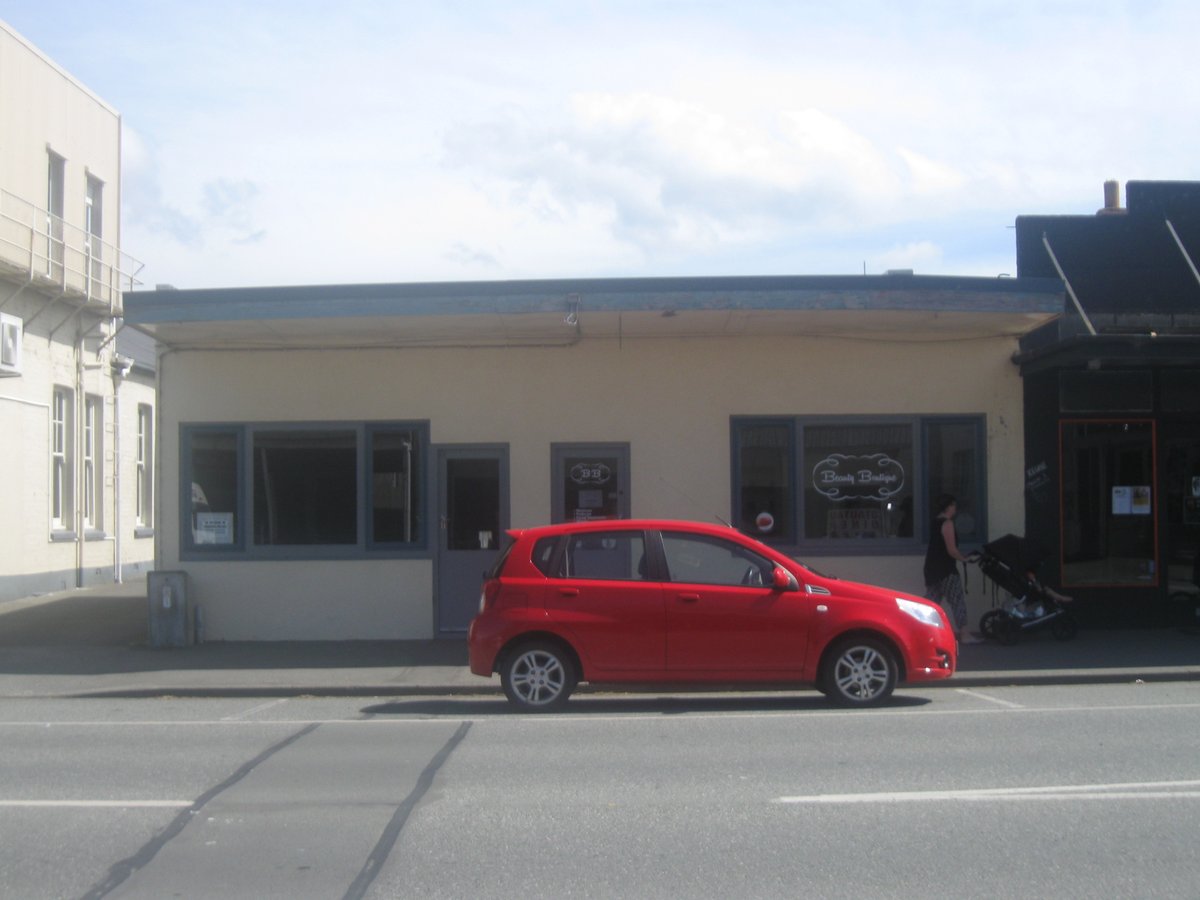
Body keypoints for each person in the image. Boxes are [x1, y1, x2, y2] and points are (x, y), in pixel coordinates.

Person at [923, 494, 981, 644]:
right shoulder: (947, 523)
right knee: (957, 601)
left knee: (931, 602)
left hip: (932, 568)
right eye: (954, 505)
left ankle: (919, 631)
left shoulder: (935, 522)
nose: (955, 508)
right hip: (946, 569)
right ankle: (965, 635)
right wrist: (964, 559)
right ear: (948, 507)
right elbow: (951, 550)